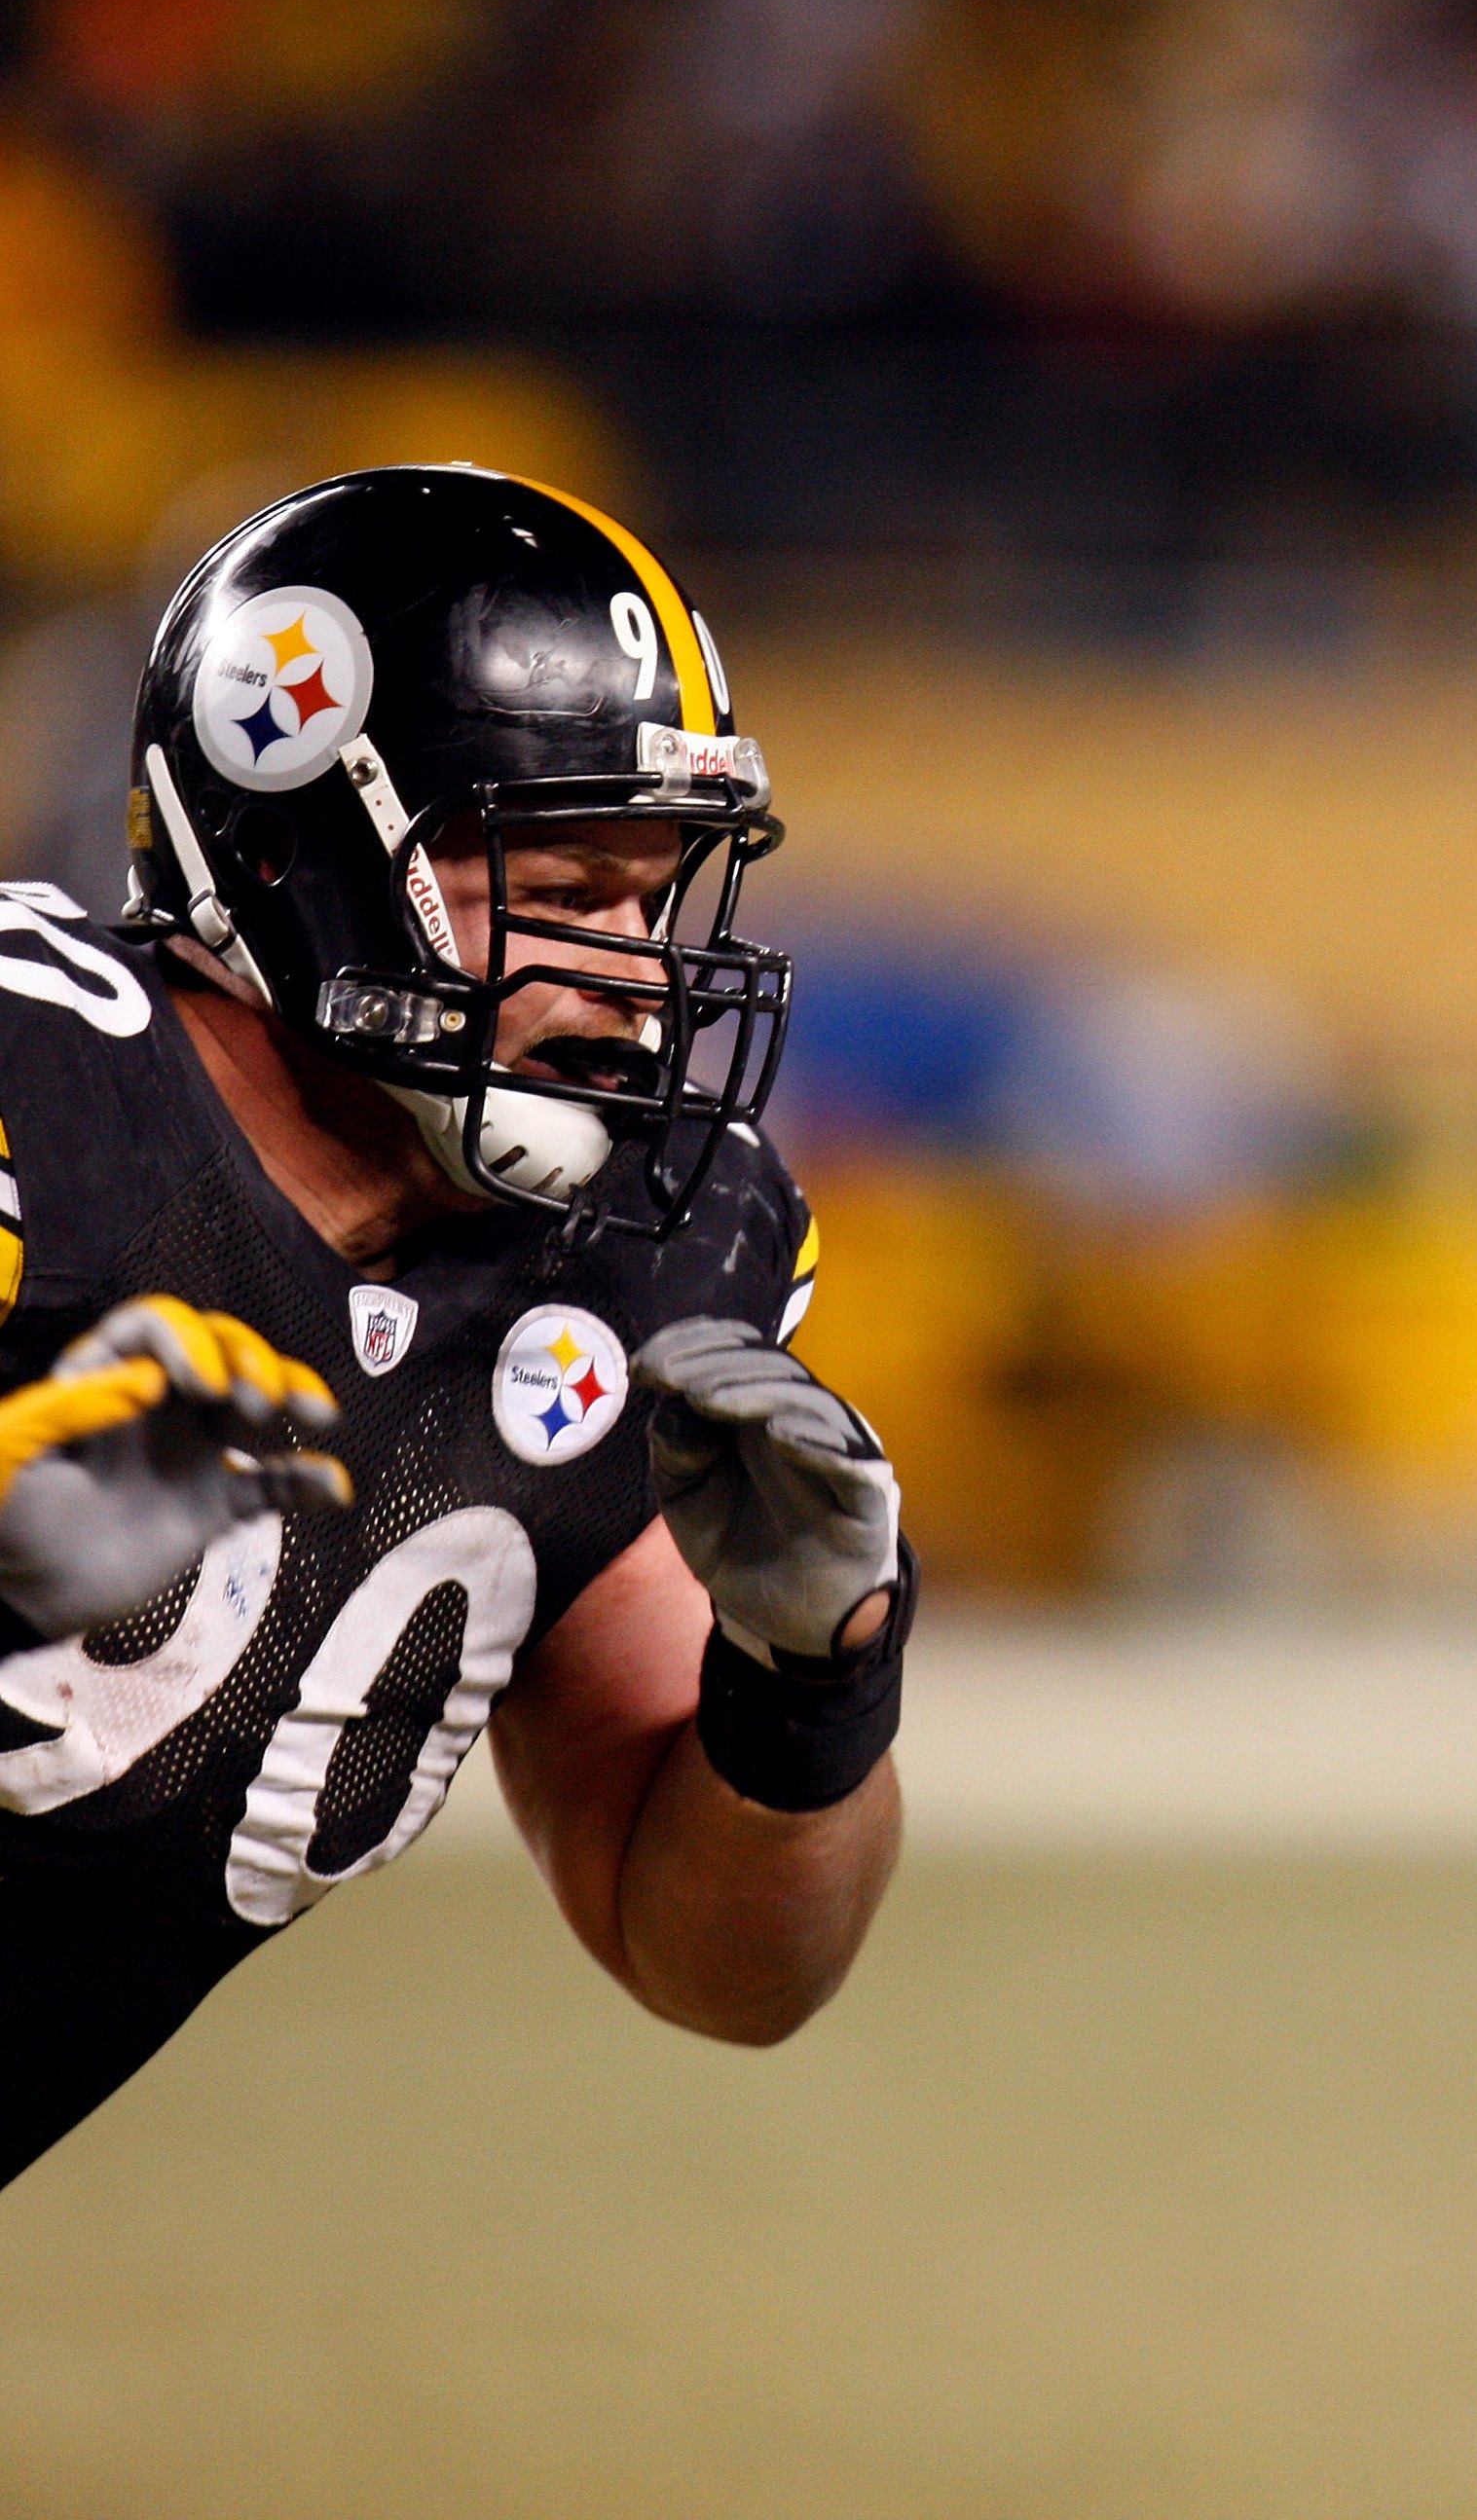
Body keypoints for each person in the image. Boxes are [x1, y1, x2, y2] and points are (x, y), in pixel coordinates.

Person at [0, 465, 912, 2185]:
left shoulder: (650, 1258)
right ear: (292, 851)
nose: (637, 979)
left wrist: (809, 1688)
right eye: (563, 887)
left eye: (657, 900)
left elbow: (725, 1970)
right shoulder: (33, 1090)